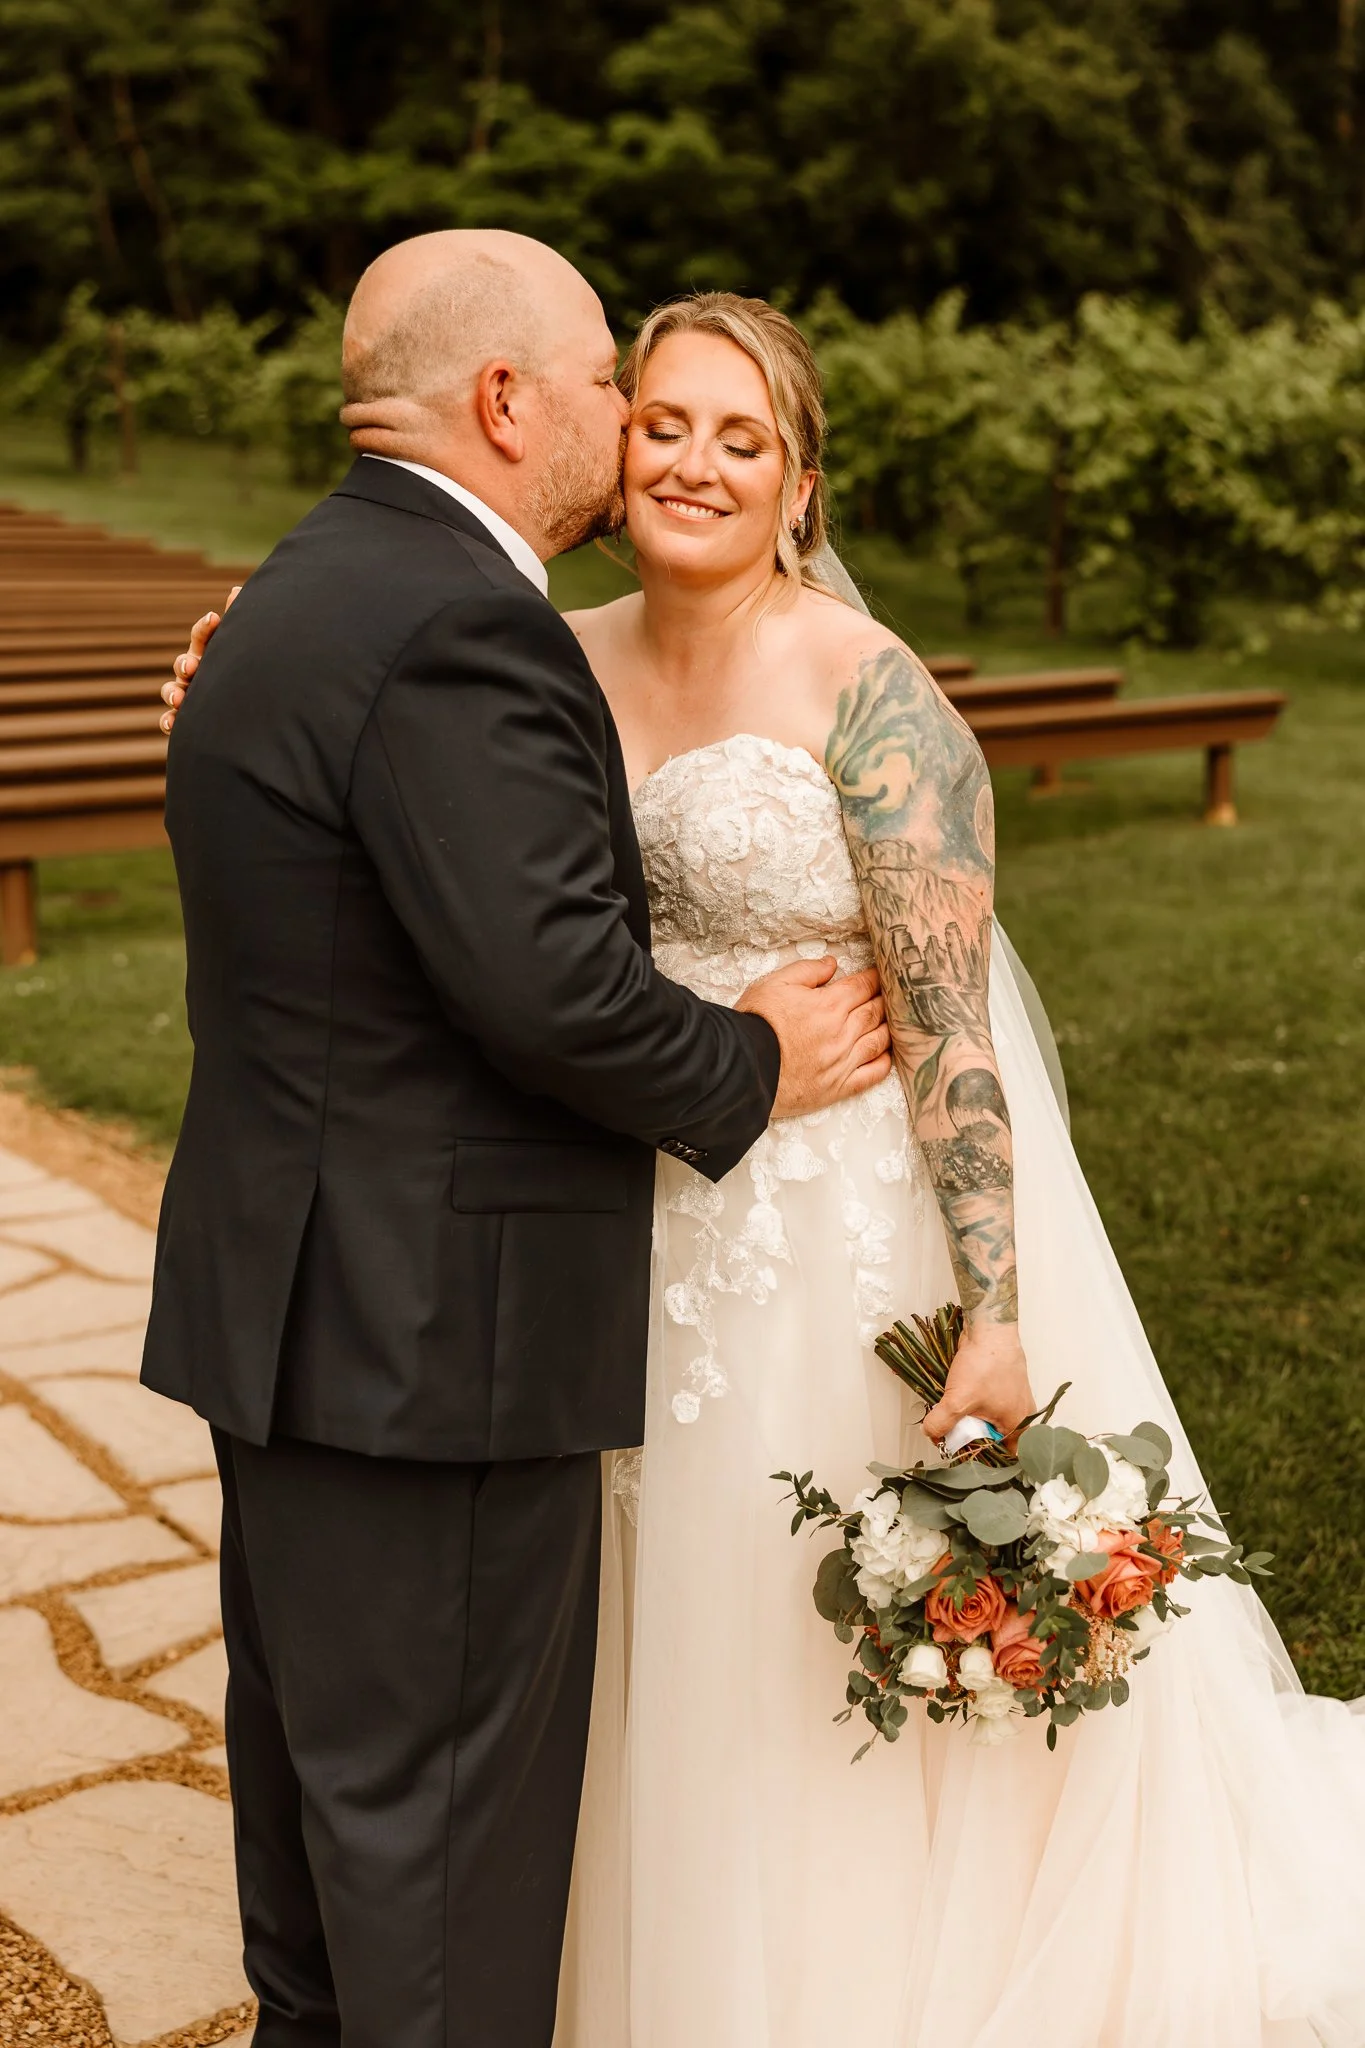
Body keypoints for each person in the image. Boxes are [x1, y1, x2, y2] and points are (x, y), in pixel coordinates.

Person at [166, 276, 1365, 2046]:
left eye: (747, 440)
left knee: (792, 1645)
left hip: (826, 1240)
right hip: (609, 1226)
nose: (697, 465)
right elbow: (420, 819)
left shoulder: (870, 695)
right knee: (607, 1652)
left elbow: (956, 1033)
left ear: (803, 484)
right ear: (608, 435)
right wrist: (244, 674)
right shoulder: (528, 643)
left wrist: (998, 1314)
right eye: (661, 422)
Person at [142, 231, 893, 2048]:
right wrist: (749, 1063)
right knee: (450, 1890)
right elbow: (549, 985)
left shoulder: (302, 592)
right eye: (602, 390)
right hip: (435, 1352)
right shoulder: (459, 622)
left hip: (300, 1320)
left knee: (324, 1840)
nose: (627, 428)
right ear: (502, 402)